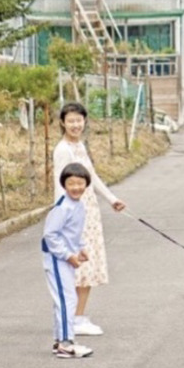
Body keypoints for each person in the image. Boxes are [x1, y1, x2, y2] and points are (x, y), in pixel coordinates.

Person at [52, 101, 126, 336]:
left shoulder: (80, 146)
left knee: (88, 266)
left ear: (84, 121)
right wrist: (62, 216)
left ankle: (78, 316)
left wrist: (112, 199)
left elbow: (91, 177)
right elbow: (59, 184)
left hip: (89, 212)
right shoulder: (63, 150)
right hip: (75, 214)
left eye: (79, 120)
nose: (75, 125)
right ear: (62, 123)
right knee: (79, 266)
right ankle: (74, 319)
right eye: (70, 121)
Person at [41, 163, 94, 359]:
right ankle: (65, 343)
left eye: (80, 183)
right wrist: (67, 255)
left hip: (66, 256)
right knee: (67, 299)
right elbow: (50, 235)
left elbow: (74, 231)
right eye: (71, 183)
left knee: (65, 299)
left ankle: (60, 341)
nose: (76, 187)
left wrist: (80, 248)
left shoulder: (78, 205)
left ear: (86, 184)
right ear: (64, 185)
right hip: (56, 259)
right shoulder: (62, 208)